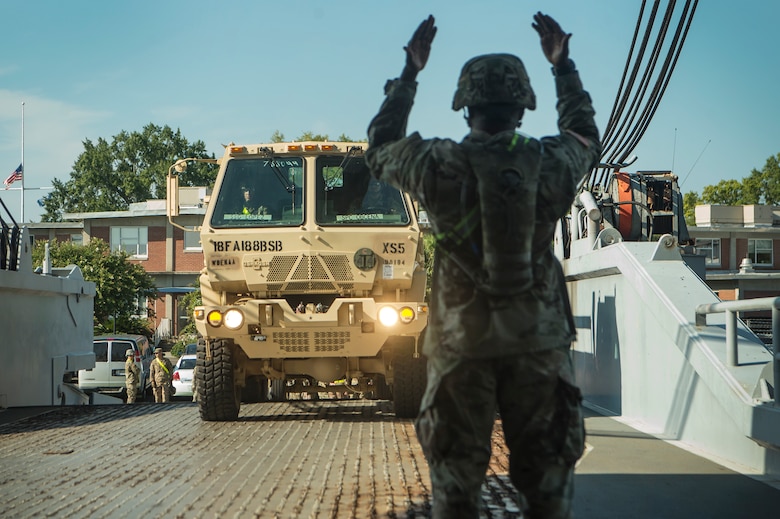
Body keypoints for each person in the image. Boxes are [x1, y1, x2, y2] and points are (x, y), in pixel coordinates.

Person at [365, 12, 601, 519]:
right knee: (547, 489)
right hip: (536, 345)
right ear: (522, 105)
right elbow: (584, 135)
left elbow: (381, 147)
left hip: (460, 348)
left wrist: (409, 74)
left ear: (465, 105)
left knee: (455, 491)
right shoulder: (551, 162)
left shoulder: (434, 164)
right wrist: (563, 68)